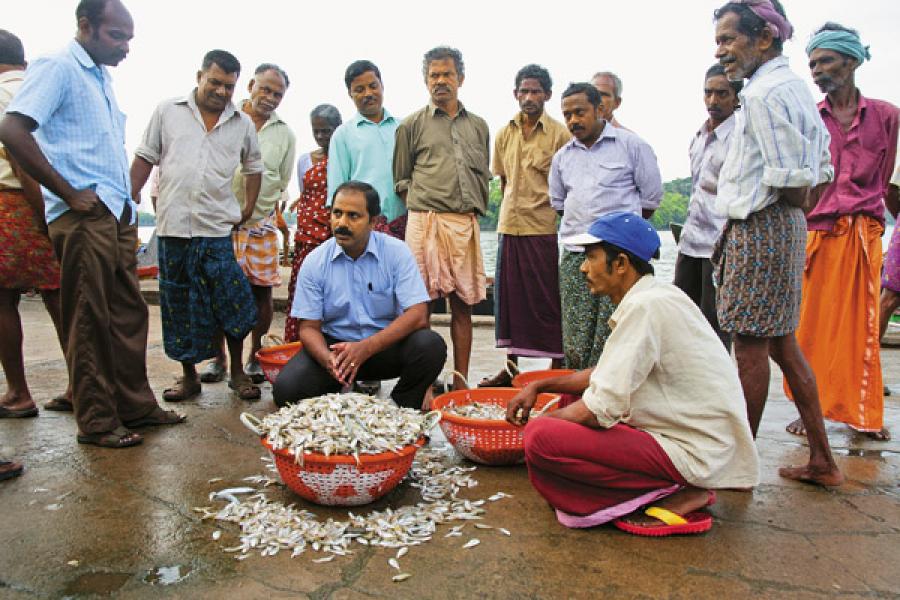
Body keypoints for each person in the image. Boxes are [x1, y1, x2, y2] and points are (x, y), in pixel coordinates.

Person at [0, 0, 183, 448]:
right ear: (86, 26)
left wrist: (121, 204)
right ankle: (97, 420)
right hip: (83, 216)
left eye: (129, 39)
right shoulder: (57, 66)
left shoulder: (99, 77)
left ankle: (135, 405)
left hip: (113, 215)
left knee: (126, 313)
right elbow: (12, 129)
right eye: (116, 36)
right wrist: (66, 192)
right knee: (89, 319)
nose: (125, 47)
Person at [508, 212, 759, 535]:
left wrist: (537, 428)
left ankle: (672, 488)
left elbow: (598, 410)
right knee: (569, 397)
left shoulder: (646, 307)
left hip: (693, 452)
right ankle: (660, 483)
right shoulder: (654, 297)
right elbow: (604, 373)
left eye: (592, 258)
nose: (584, 268)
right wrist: (541, 385)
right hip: (693, 438)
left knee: (541, 439)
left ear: (621, 264)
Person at [712, 0, 842, 485]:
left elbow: (793, 179)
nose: (721, 50)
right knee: (784, 346)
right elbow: (824, 165)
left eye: (728, 39)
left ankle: (738, 465)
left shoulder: (765, 93)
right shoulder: (795, 90)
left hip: (763, 226)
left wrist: (790, 204)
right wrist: (796, 208)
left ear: (763, 38)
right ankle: (823, 459)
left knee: (749, 347)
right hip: (781, 225)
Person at [785, 23, 899, 442]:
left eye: (825, 61)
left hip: (863, 233)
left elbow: (886, 179)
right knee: (808, 329)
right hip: (817, 230)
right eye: (812, 63)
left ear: (851, 62)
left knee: (864, 329)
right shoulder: (811, 118)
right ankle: (808, 410)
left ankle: (864, 414)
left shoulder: (887, 116)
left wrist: (867, 215)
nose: (817, 70)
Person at [130, 49, 263, 402]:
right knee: (178, 305)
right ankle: (189, 378)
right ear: (199, 76)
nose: (221, 91)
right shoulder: (167, 111)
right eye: (215, 82)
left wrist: (247, 208)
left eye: (229, 86)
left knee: (232, 302)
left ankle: (236, 372)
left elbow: (254, 167)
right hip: (173, 228)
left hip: (217, 229)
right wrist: (127, 199)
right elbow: (145, 156)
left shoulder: (243, 123)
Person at [272, 181, 447, 409]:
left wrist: (366, 348)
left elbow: (418, 314)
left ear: (373, 221)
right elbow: (308, 327)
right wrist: (328, 361)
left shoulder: (396, 252)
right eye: (337, 213)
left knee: (430, 345)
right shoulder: (315, 261)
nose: (342, 223)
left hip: (383, 346)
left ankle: (401, 407)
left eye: (353, 216)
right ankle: (336, 395)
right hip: (336, 350)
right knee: (286, 390)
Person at [394, 46, 490, 392]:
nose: (440, 81)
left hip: (463, 224)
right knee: (420, 310)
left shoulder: (479, 126)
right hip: (424, 222)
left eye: (447, 74)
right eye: (433, 75)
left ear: (460, 78)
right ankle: (424, 381)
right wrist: (425, 211)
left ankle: (460, 383)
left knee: (463, 307)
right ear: (425, 80)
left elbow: (482, 178)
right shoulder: (410, 126)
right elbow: (401, 180)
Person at [550, 82, 662, 370]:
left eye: (580, 112)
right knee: (575, 336)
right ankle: (576, 400)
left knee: (616, 332)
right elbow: (560, 204)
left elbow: (650, 200)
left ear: (600, 109)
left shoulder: (632, 146)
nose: (573, 120)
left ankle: (611, 400)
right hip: (576, 254)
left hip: (619, 258)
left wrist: (617, 238)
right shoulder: (562, 157)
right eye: (567, 115)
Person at [199, 63, 296, 385]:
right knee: (217, 293)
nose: (269, 97)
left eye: (277, 94)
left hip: (260, 224)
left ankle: (256, 355)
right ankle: (219, 359)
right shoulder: (225, 119)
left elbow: (281, 180)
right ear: (251, 85)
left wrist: (261, 211)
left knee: (261, 293)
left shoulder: (285, 134)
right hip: (219, 224)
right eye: (265, 89)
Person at [478, 64, 570, 387]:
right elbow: (503, 181)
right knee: (510, 302)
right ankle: (511, 369)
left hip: (542, 227)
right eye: (523, 91)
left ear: (547, 94)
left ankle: (556, 364)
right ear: (515, 94)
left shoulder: (560, 134)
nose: (529, 97)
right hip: (509, 227)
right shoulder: (505, 132)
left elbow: (567, 185)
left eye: (535, 91)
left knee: (547, 300)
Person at [0, 30, 71, 417]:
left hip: (15, 206)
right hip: (57, 202)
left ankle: (18, 392)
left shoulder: (3, 95)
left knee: (3, 301)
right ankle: (80, 384)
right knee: (61, 298)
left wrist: (40, 213)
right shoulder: (41, 87)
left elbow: (18, 158)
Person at [673, 64, 741, 347]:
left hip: (720, 246)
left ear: (737, 96)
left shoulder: (740, 137)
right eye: (708, 93)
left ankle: (717, 388)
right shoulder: (699, 137)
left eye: (722, 93)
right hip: (690, 243)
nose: (713, 100)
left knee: (715, 327)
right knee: (680, 317)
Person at [327, 60, 406, 237]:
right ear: (350, 93)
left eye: (373, 86)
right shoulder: (343, 135)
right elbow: (337, 190)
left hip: (406, 224)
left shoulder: (404, 128)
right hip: (365, 228)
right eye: (359, 89)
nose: (368, 93)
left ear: (382, 86)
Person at [284, 104, 341, 343]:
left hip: (335, 234)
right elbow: (305, 194)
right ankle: (298, 346)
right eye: (316, 131)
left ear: (338, 129)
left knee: (335, 293)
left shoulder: (343, 157)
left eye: (326, 131)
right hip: (308, 237)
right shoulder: (304, 161)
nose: (320, 137)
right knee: (303, 290)